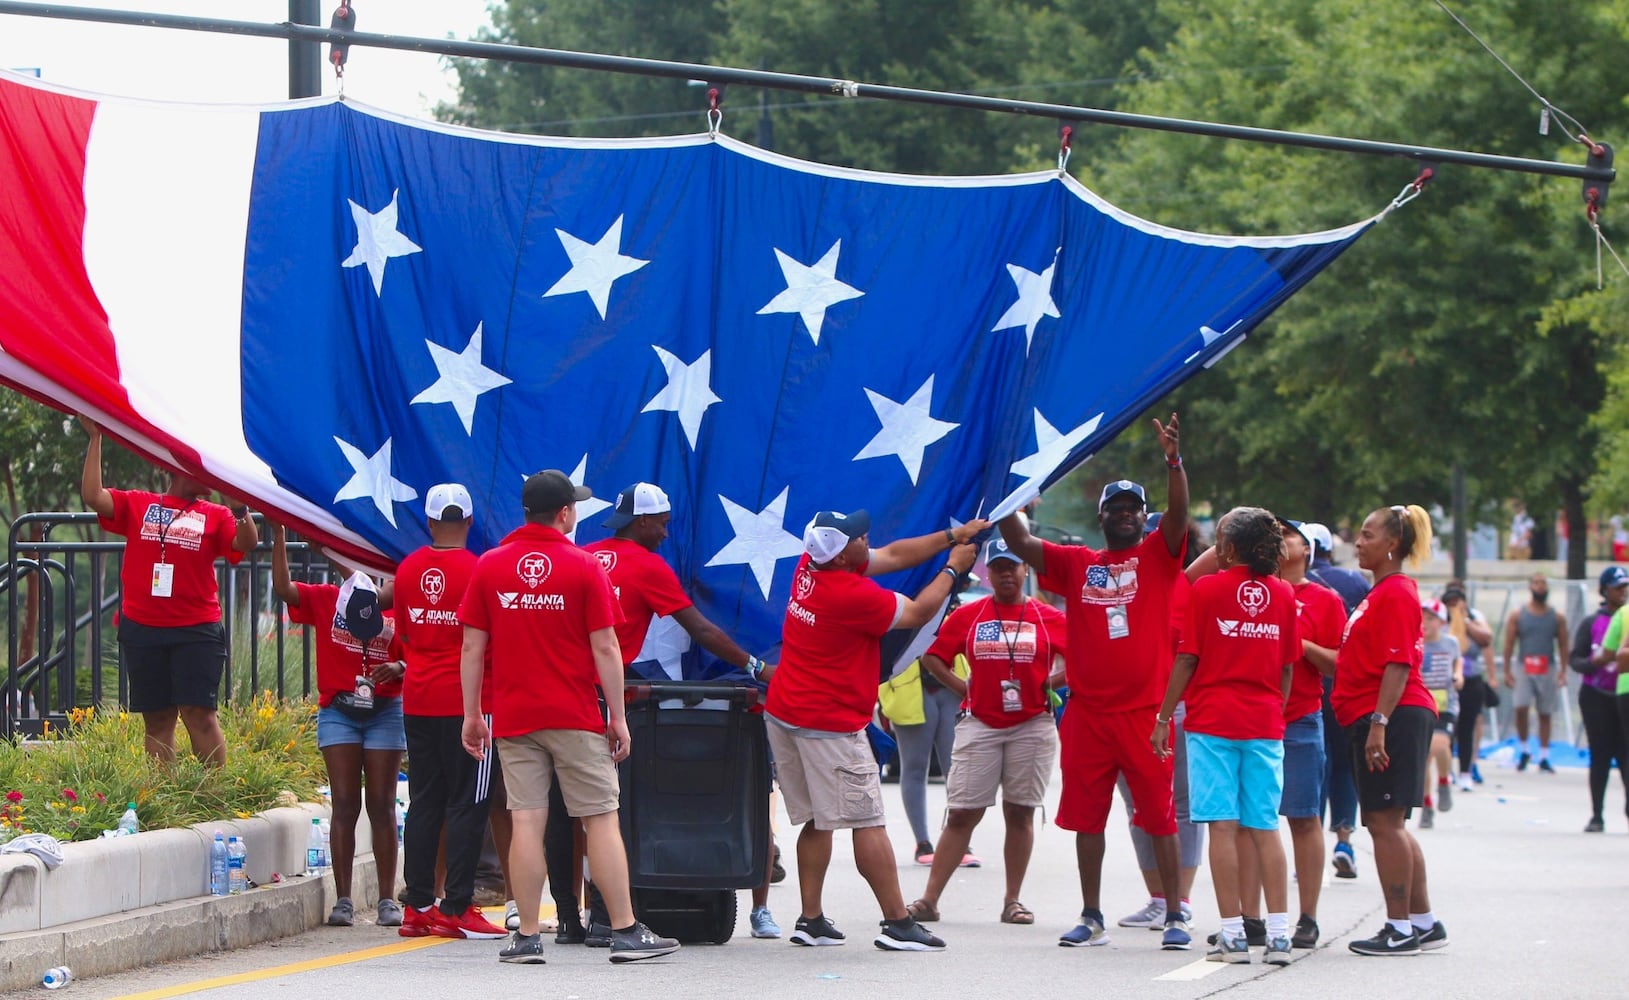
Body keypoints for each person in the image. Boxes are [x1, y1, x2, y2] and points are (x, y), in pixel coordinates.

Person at [457, 469, 678, 965]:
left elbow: (472, 646)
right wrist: (617, 716)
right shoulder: (582, 566)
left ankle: (528, 935)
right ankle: (623, 930)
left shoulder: (490, 566)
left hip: (514, 715)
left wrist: (474, 713)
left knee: (527, 821)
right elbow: (606, 646)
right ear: (565, 513)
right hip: (575, 713)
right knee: (600, 819)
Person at [998, 413, 1193, 952]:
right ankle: (1091, 914)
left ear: (1143, 518)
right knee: (1088, 819)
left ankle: (1176, 914)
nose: (1126, 516)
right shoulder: (1078, 564)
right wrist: (1007, 485)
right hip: (1087, 714)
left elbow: (1178, 514)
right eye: (1117, 509)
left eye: (1135, 509)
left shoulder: (1158, 556)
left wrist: (1173, 461)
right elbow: (1017, 536)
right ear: (1101, 517)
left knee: (1159, 817)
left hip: (1145, 715)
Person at [764, 507, 982, 952]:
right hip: (829, 724)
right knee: (868, 822)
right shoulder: (850, 595)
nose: (868, 540)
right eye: (859, 538)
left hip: (786, 712)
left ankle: (810, 919)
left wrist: (950, 535)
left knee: (817, 821)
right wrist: (953, 569)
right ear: (843, 555)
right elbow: (921, 611)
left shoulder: (810, 565)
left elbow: (895, 555)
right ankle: (898, 923)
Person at [581, 482, 780, 940]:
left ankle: (580, 913)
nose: (668, 534)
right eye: (664, 525)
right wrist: (755, 665)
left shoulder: (587, 555)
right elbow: (702, 630)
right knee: (602, 805)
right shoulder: (649, 566)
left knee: (566, 813)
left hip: (562, 685)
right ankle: (613, 917)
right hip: (602, 691)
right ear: (644, 522)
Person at [1152, 507, 1296, 965]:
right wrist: (1276, 709)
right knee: (1265, 826)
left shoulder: (1208, 589)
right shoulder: (1284, 593)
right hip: (1264, 722)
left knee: (1222, 826)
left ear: (1227, 549)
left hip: (1213, 723)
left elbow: (1188, 658)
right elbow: (1288, 665)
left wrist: (1162, 716)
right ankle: (1278, 934)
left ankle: (1233, 934)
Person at [905, 537, 1065, 925]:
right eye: (999, 568)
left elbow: (1084, 657)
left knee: (1020, 812)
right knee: (962, 812)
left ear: (1025, 570)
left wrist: (1050, 682)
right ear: (988, 573)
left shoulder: (1047, 617)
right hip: (981, 724)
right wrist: (966, 689)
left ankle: (1013, 900)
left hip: (1032, 725)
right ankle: (929, 900)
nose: (1007, 573)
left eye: (1013, 566)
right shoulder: (971, 615)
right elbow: (932, 657)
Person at [80, 416, 256, 766]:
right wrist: (96, 437)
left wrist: (240, 509)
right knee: (158, 720)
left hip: (196, 630)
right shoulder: (139, 503)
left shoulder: (217, 514)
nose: (209, 473)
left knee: (199, 714)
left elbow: (246, 542)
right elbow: (93, 496)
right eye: (200, 466)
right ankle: (165, 801)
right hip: (143, 629)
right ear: (178, 468)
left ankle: (212, 800)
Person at [388, 484, 508, 940]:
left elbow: (404, 634)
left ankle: (417, 905)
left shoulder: (407, 569)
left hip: (417, 697)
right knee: (469, 803)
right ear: (471, 522)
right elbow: (489, 637)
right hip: (469, 704)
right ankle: (457, 905)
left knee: (425, 802)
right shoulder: (481, 570)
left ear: (430, 520)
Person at [270, 524, 404, 928]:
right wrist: (277, 534)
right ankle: (343, 899)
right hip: (339, 710)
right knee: (344, 802)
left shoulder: (396, 611)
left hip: (384, 710)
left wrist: (399, 666)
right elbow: (284, 590)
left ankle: (386, 899)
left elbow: (424, 651)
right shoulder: (327, 600)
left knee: (381, 803)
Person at [1333, 504, 1447, 956]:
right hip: (1383, 713)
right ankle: (1423, 922)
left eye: (1366, 535)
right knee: (1392, 823)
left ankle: (1399, 929)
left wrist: (1379, 723)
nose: (1359, 543)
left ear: (1392, 545)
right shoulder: (1377, 594)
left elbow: (1398, 663)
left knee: (1384, 825)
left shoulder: (1396, 592)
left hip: (1390, 715)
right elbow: (1353, 665)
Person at [1117, 511, 1203, 937]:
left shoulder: (1187, 586)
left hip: (1177, 710)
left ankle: (1180, 901)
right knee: (1138, 808)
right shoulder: (1126, 588)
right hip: (1128, 710)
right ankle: (1156, 899)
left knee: (1181, 807)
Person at [1301, 522, 1366, 879]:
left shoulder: (1295, 585)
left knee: (1313, 766)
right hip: (1344, 686)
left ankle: (1308, 845)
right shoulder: (1355, 583)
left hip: (1309, 688)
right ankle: (1344, 841)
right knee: (1344, 765)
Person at [1572, 567, 1629, 832]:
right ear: (1605, 590)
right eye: (1618, 587)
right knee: (1601, 755)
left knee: (1625, 753)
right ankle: (1597, 814)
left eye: (1625, 587)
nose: (1623, 592)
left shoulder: (1624, 616)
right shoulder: (1593, 621)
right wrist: (1595, 664)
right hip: (1596, 695)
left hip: (1620, 692)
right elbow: (1577, 659)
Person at [1502, 574, 1569, 773]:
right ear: (1530, 587)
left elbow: (1564, 644)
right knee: (1521, 707)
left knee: (1545, 712)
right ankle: (1523, 750)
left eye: (1544, 583)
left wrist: (1563, 670)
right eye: (1537, 583)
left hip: (1547, 666)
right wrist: (1506, 670)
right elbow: (1509, 643)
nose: (1540, 587)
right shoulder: (1518, 615)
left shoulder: (1557, 617)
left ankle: (1544, 755)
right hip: (1525, 665)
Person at [1442, 581, 1496, 789]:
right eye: (1450, 602)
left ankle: (1466, 771)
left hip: (1472, 681)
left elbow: (1486, 640)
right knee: (1448, 730)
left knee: (1468, 727)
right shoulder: (1440, 622)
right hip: (1447, 684)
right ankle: (1446, 772)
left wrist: (1464, 620)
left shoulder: (1474, 619)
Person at [1417, 600, 1463, 829]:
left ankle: (1444, 780)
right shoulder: (1415, 643)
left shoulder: (1450, 643)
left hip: (1446, 706)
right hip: (1423, 704)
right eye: (1423, 617)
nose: (1426, 623)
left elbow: (1458, 663)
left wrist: (1458, 676)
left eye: (1431, 618)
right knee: (1424, 756)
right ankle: (1427, 805)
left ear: (1442, 622)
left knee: (1439, 746)